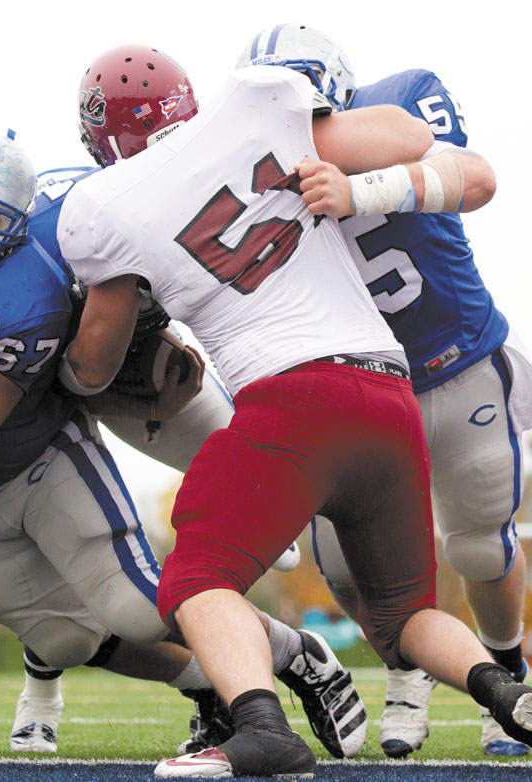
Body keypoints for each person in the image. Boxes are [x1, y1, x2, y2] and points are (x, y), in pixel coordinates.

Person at [0, 129, 367, 760]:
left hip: (41, 462)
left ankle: (293, 653)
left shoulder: (23, 289)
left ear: (16, 226)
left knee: (138, 609)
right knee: (66, 640)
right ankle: (214, 679)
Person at [55, 43, 532, 777]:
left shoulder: (99, 206)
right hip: (387, 392)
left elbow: (92, 366)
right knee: (404, 617)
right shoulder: (256, 101)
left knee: (196, 579)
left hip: (291, 400)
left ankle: (259, 727)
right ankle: (505, 691)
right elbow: (408, 137)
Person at [237, 22, 532, 758]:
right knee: (343, 565)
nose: (288, 123)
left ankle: (507, 672)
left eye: (300, 103)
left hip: (458, 361)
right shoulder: (239, 169)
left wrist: (358, 189)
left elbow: (481, 178)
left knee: (479, 549)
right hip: (359, 394)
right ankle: (406, 670)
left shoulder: (399, 104)